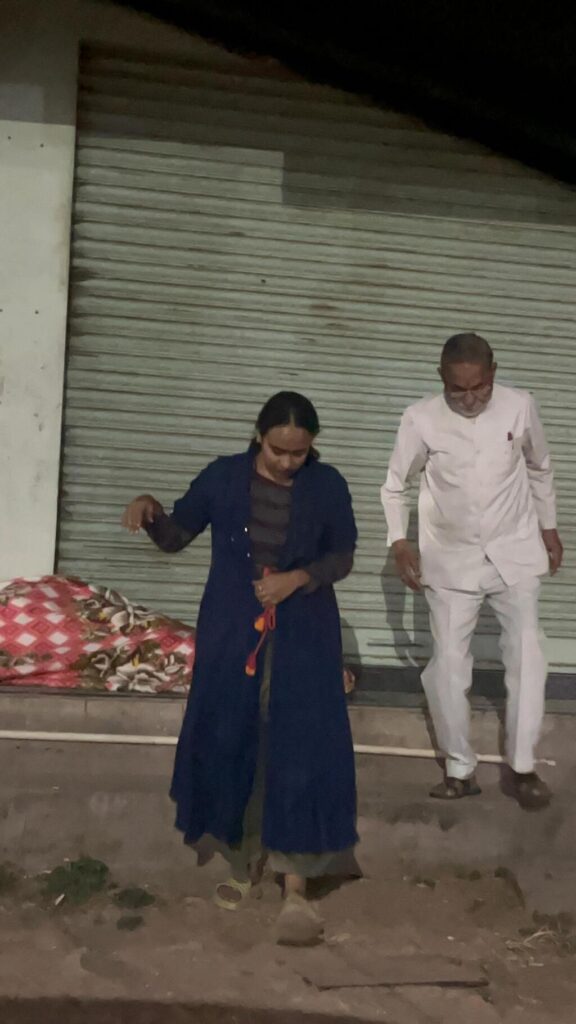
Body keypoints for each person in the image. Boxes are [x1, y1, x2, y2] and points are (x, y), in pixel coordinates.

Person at [122, 391, 358, 944]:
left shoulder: (328, 485)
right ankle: (243, 862)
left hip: (305, 636)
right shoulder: (223, 478)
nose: (288, 462)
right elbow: (176, 536)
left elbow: (342, 555)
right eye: (279, 450)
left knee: (298, 746)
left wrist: (296, 579)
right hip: (232, 633)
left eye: (299, 452)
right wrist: (150, 508)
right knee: (234, 737)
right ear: (258, 436)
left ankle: (296, 885)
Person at [381, 333, 563, 810]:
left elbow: (540, 467)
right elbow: (396, 485)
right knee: (447, 665)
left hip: (514, 550)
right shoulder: (420, 419)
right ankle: (460, 767)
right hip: (450, 557)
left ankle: (522, 766)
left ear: (493, 374)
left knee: (528, 655)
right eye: (457, 389)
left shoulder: (520, 407)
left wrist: (548, 527)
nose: (468, 399)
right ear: (440, 378)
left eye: (478, 388)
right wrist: (399, 542)